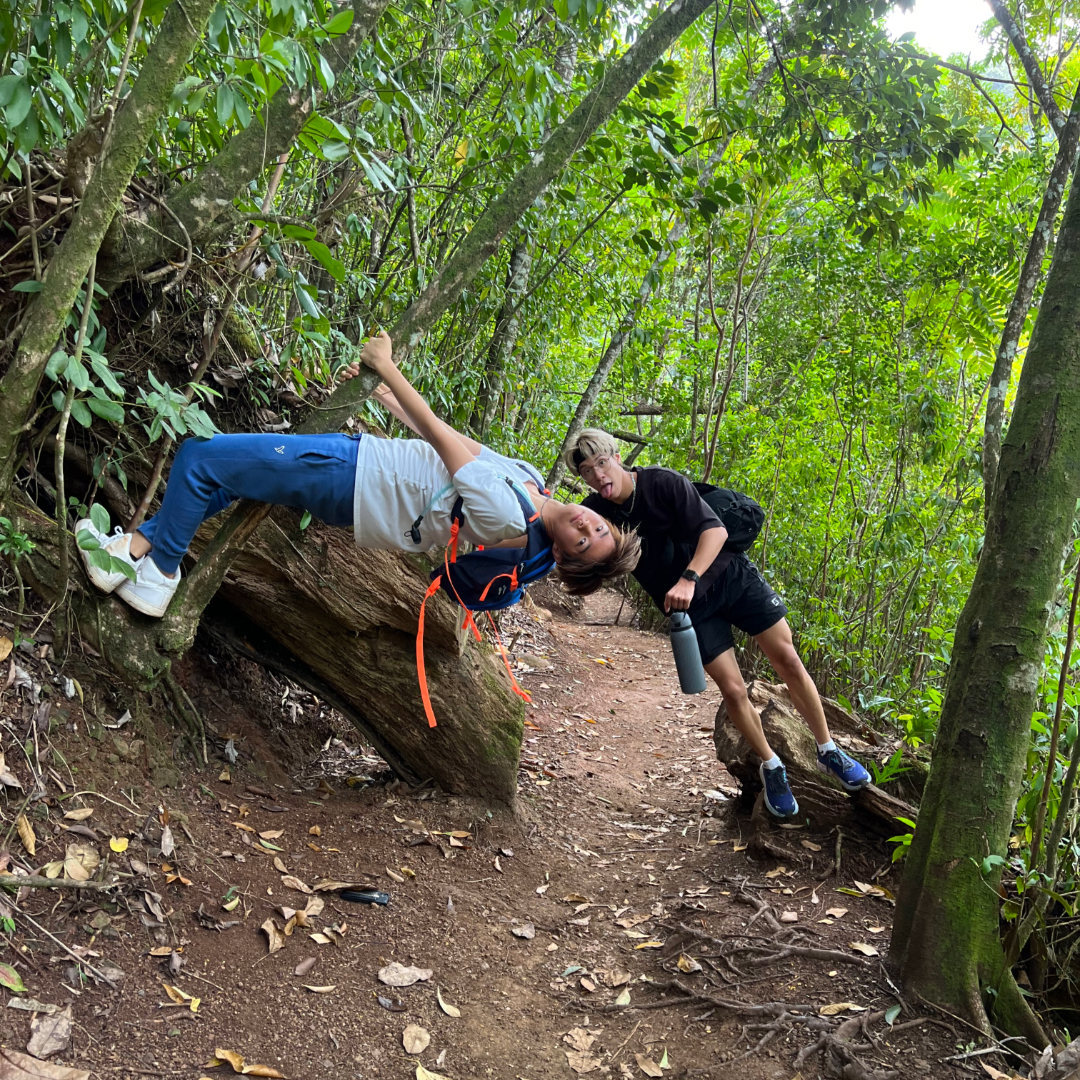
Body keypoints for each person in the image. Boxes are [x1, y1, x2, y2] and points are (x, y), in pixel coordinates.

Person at [77, 334, 640, 617]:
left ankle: (159, 578)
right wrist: (388, 396)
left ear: (564, 556)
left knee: (200, 457)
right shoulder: (531, 489)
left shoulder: (507, 515)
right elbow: (454, 440)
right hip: (368, 476)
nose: (587, 526)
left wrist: (386, 364)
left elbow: (445, 444)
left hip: (357, 476)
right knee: (228, 480)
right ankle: (128, 551)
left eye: (585, 543)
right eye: (597, 528)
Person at [562, 428, 869, 819]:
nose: (597, 476)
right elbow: (568, 535)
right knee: (733, 689)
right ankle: (771, 765)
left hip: (731, 579)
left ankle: (828, 751)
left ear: (617, 457)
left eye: (601, 463)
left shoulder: (662, 483)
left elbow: (716, 530)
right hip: (691, 612)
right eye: (587, 471)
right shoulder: (596, 512)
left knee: (788, 659)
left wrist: (688, 578)